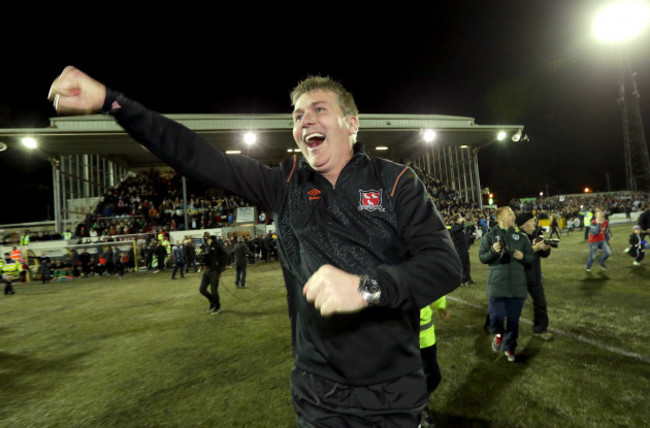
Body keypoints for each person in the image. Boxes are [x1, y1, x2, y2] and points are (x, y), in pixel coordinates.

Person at [48, 67, 461, 426]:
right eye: (297, 115)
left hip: (394, 387)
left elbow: (444, 265)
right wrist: (111, 101)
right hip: (321, 393)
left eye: (318, 109)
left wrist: (365, 287)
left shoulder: (396, 181)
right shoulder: (283, 184)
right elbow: (195, 155)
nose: (304, 120)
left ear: (351, 124)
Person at [479, 206, 534, 362]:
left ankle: (510, 348)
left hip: (517, 285)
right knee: (496, 317)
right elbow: (483, 258)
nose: (513, 216)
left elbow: (530, 258)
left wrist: (523, 256)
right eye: (510, 214)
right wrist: (492, 251)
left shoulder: (522, 237)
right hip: (497, 285)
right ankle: (498, 334)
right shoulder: (489, 237)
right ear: (500, 218)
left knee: (513, 321)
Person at [515, 212, 553, 341]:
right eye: (532, 221)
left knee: (540, 303)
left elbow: (544, 255)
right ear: (525, 224)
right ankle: (493, 323)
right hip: (519, 278)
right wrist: (535, 248)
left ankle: (540, 329)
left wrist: (545, 248)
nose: (535, 223)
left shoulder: (536, 235)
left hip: (534, 277)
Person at [419, 296, 451, 428]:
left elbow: (433, 285)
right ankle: (418, 409)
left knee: (433, 376)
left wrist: (441, 306)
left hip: (426, 338)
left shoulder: (422, 274)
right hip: (400, 338)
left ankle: (419, 404)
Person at [198, 232, 230, 314]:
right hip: (207, 269)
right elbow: (207, 256)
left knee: (214, 290)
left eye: (203, 238)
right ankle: (212, 302)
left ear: (206, 238)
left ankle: (217, 307)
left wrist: (222, 266)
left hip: (215, 270)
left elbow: (225, 254)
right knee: (202, 289)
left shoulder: (216, 244)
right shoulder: (206, 246)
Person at [450, 213, 474, 286]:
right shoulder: (454, 226)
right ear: (457, 219)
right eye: (460, 218)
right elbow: (460, 227)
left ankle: (468, 278)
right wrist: (463, 221)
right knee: (462, 264)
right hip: (459, 248)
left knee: (467, 262)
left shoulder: (459, 226)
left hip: (464, 247)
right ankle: (462, 280)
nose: (462, 218)